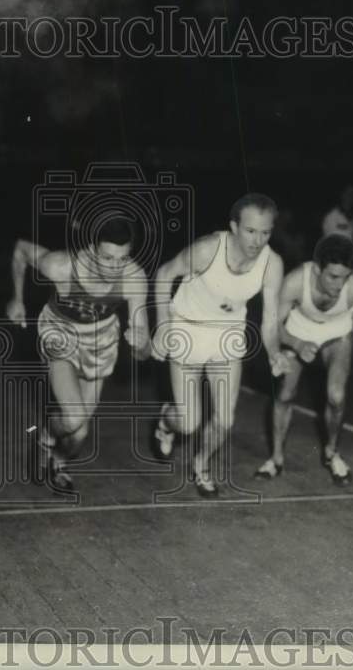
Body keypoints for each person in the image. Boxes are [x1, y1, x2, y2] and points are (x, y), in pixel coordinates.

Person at [151, 193, 291, 498]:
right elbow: (164, 275)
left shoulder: (272, 264)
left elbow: (269, 320)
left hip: (227, 333)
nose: (257, 240)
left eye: (265, 232)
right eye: (250, 231)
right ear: (234, 226)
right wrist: (162, 328)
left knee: (225, 420)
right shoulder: (207, 250)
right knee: (188, 423)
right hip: (188, 326)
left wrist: (275, 352)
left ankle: (201, 465)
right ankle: (165, 421)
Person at [7, 217, 151, 490]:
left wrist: (141, 344)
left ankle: (59, 459)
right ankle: (46, 437)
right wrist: (16, 298)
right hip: (59, 332)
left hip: (100, 342)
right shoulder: (61, 265)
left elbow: (144, 353)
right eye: (107, 258)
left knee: (80, 432)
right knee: (72, 418)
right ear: (91, 249)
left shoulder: (134, 278)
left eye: (122, 259)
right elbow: (20, 250)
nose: (114, 267)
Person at [256, 234, 353, 485]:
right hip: (298, 329)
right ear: (317, 269)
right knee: (284, 394)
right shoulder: (295, 282)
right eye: (333, 277)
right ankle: (276, 459)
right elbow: (272, 326)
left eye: (345, 277)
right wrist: (296, 344)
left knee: (336, 396)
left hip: (338, 332)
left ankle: (331, 452)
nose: (339, 286)